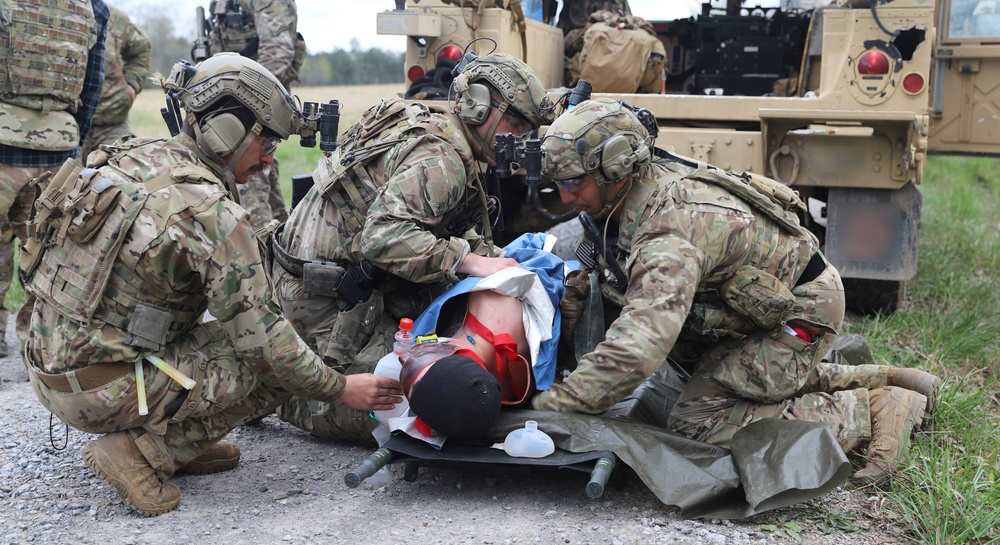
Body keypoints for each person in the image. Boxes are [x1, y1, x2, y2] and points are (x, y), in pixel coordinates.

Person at [18, 53, 401, 517]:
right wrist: (341, 388)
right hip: (99, 391)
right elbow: (269, 347)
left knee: (238, 341)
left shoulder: (129, 156)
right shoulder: (209, 211)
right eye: (266, 141)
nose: (268, 159)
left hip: (51, 369)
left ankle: (165, 432)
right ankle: (144, 452)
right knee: (282, 359)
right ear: (228, 132)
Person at [531, 98, 942, 485]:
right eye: (559, 185)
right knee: (708, 374)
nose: (567, 198)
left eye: (575, 183)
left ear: (615, 169)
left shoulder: (670, 228)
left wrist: (554, 408)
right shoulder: (638, 185)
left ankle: (873, 411)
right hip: (757, 307)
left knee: (699, 417)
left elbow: (639, 345)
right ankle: (883, 379)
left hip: (800, 312)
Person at [270, 51, 556, 443]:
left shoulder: (433, 125)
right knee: (415, 399)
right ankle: (277, 393)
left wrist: (486, 256)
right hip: (321, 301)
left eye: (526, 129)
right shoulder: (441, 159)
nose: (519, 138)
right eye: (515, 122)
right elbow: (383, 237)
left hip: (330, 281)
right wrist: (468, 260)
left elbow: (428, 223)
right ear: (477, 105)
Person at [0, 0, 109, 344]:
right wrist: (72, 135)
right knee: (49, 254)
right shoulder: (93, 7)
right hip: (58, 150)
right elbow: (93, 81)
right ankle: (40, 346)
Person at [396, 232, 565, 438]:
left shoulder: (486, 394)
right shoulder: (492, 306)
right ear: (456, 358)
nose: (425, 351)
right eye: (430, 360)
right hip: (529, 274)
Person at [203, 0, 306, 229]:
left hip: (253, 109)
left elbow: (277, 54)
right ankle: (279, 246)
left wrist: (241, 98)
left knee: (247, 177)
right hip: (233, 104)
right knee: (260, 176)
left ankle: (257, 250)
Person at [80, 4, 152, 160]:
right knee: (64, 181)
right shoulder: (58, 12)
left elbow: (141, 49)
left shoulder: (113, 17)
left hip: (111, 122)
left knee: (130, 170)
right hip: (69, 123)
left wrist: (131, 87)